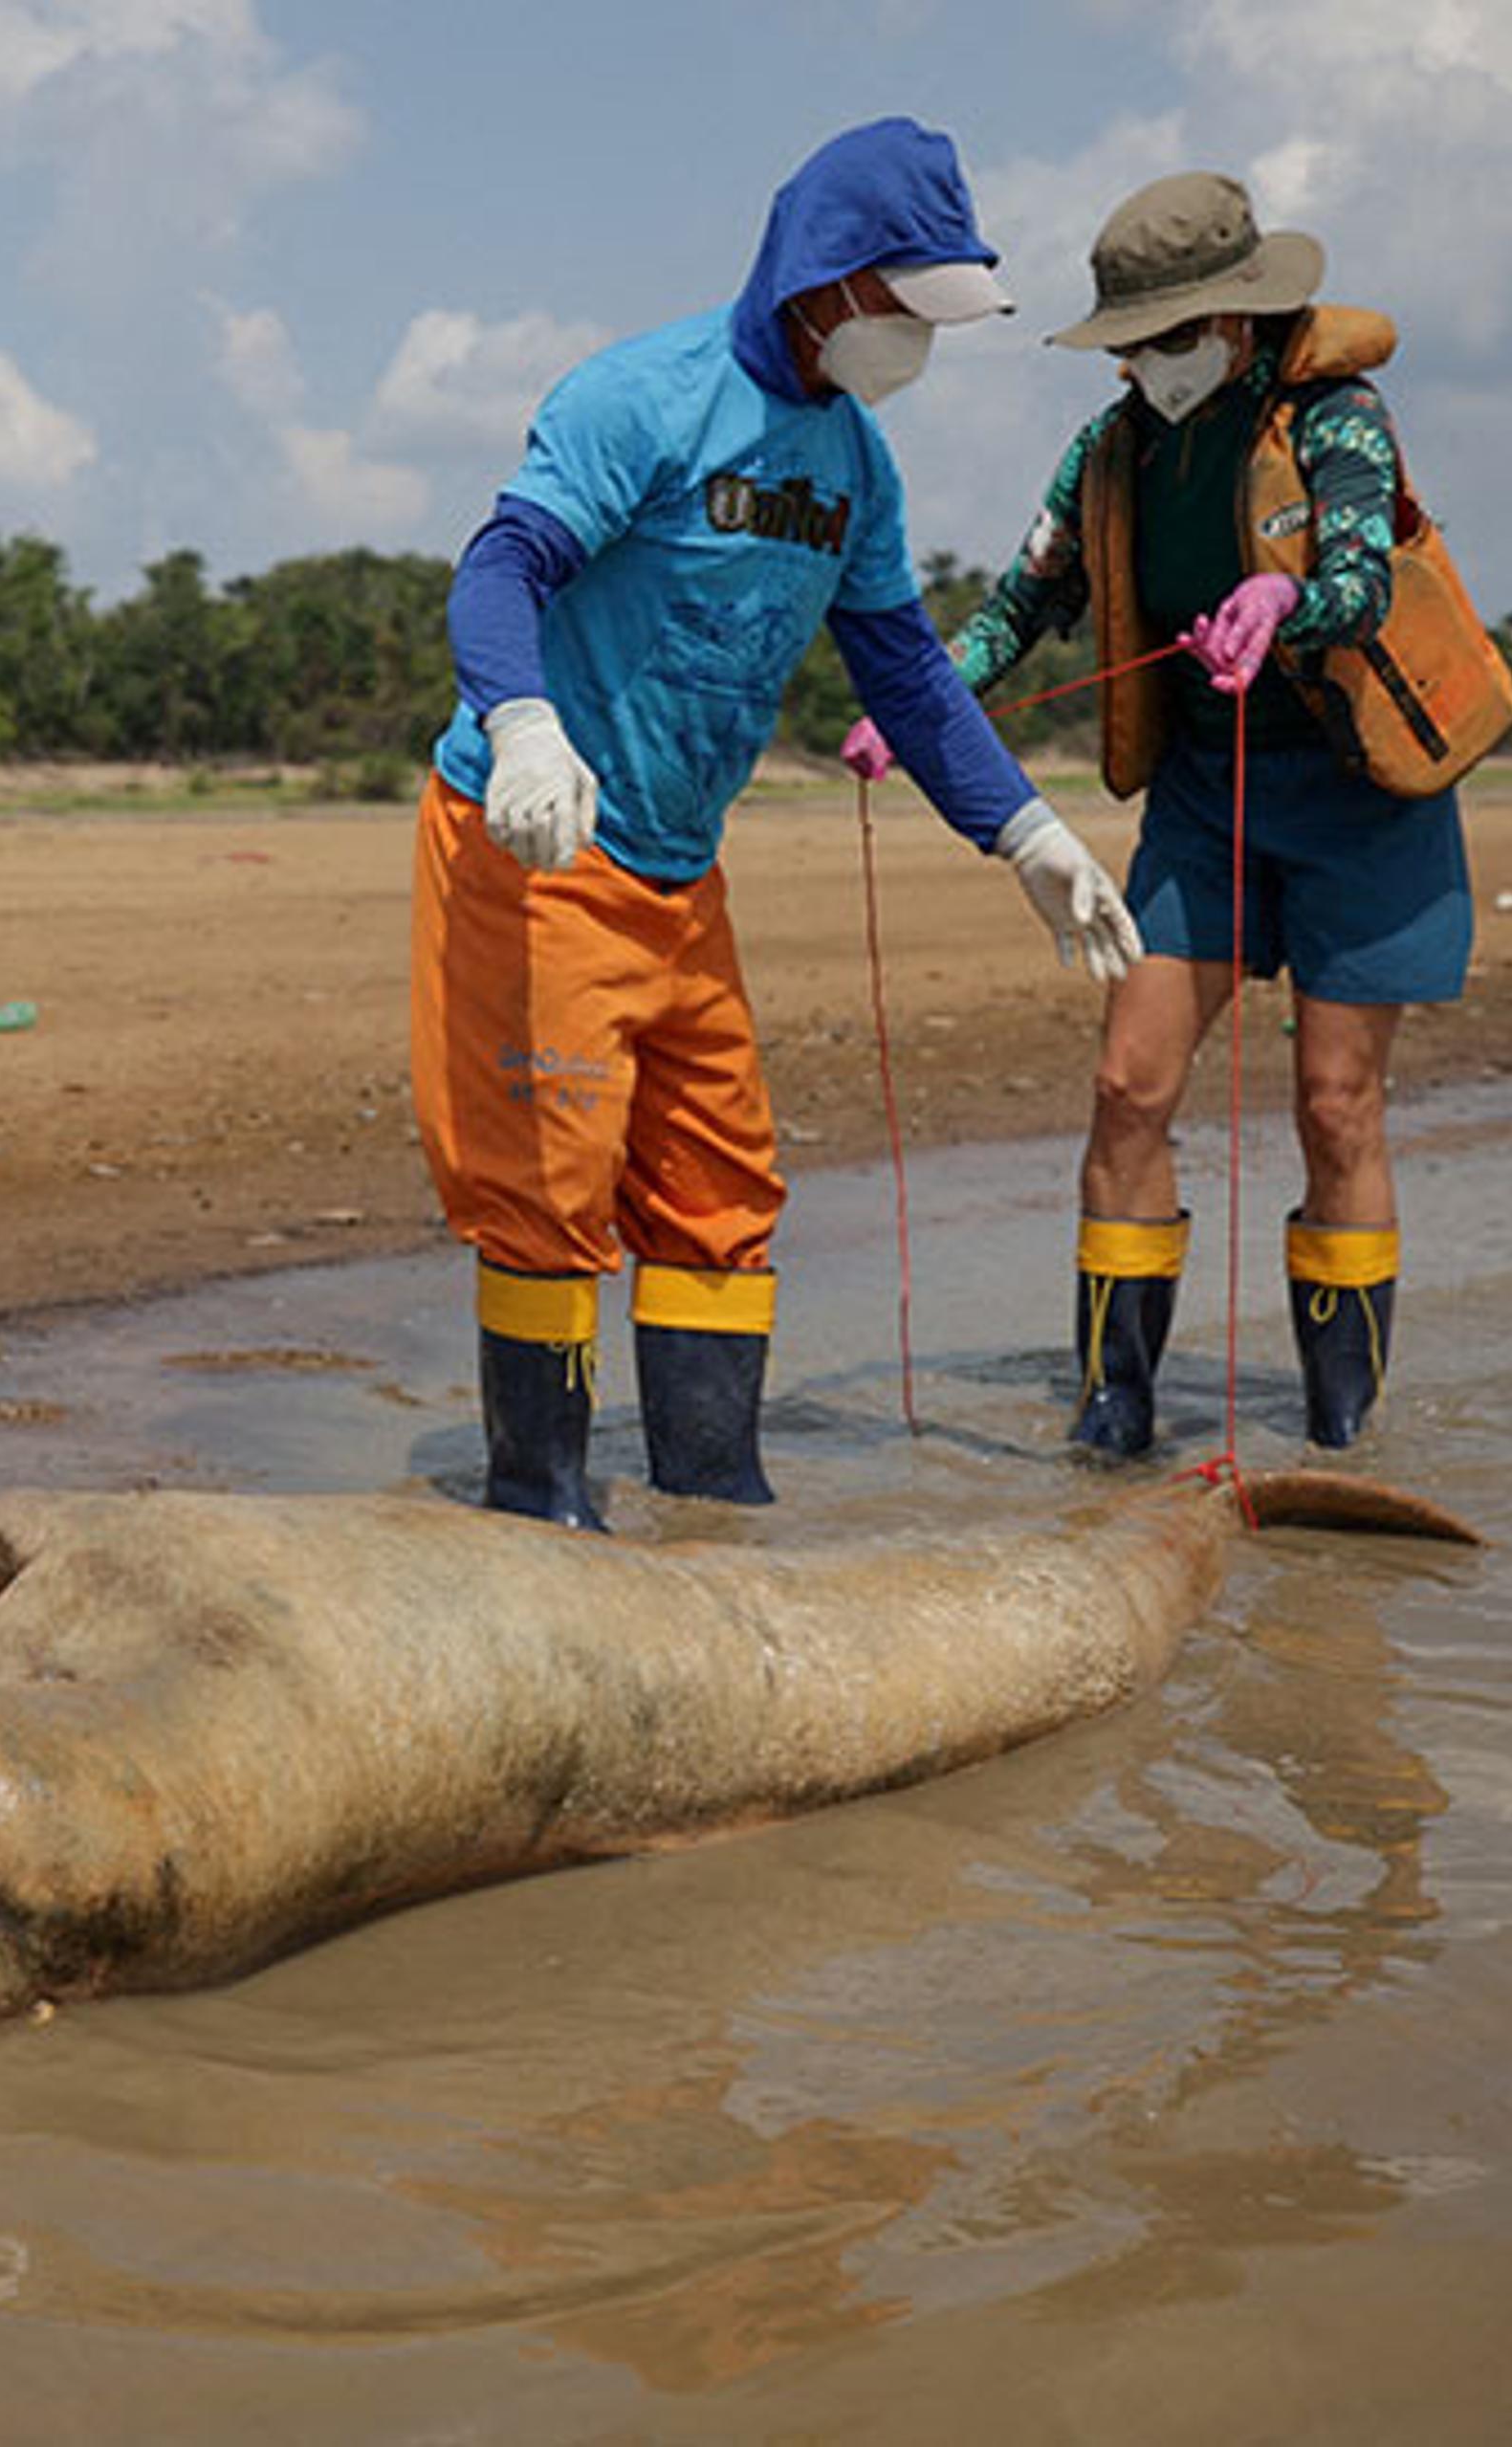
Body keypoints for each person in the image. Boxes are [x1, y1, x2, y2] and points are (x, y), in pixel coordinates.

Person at [416, 118, 1137, 1532]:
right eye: (908, 307)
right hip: (544, 841)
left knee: (719, 1179)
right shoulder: (646, 399)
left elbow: (911, 678)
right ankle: (542, 1506)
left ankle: (714, 1506)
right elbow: (502, 567)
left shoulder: (854, 464)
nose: (918, 344)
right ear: (829, 282)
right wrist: (522, 721)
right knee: (551, 1184)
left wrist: (1028, 835)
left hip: (683, 866)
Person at [855, 171, 1507, 1454]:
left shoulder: (1339, 419)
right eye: (1133, 342)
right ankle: (1117, 1401)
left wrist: (1284, 606)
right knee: (1126, 1081)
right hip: (1206, 801)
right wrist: (916, 702)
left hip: (1359, 798)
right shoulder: (1111, 451)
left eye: (1171, 336)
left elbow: (1364, 580)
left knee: (1335, 1102)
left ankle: (1340, 1417)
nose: (1151, 363)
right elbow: (1020, 602)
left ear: (1239, 319)